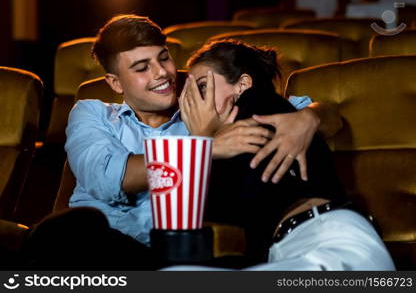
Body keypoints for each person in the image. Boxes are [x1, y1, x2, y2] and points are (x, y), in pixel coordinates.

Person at [5, 14, 340, 269]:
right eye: (141, 67)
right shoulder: (92, 113)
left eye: (163, 58)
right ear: (114, 82)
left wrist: (308, 117)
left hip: (174, 251)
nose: (161, 73)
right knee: (66, 229)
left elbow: (307, 113)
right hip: (99, 246)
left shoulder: (205, 102)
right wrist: (205, 147)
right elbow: (109, 179)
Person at [171, 39, 395, 270]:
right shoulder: (226, 137)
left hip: (331, 239)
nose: (192, 103)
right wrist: (206, 143)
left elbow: (217, 210)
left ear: (243, 84)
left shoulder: (259, 108)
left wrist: (203, 140)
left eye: (202, 87)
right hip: (287, 249)